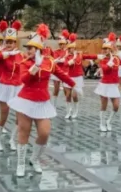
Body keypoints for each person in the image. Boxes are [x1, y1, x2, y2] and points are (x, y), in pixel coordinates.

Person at [8, 24, 76, 177]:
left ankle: (35, 158)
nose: (28, 51)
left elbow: (61, 74)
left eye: (31, 48)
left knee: (45, 133)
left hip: (42, 101)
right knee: (24, 132)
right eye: (27, 48)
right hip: (26, 100)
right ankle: (21, 163)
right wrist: (35, 67)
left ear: (38, 49)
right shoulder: (25, 63)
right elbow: (23, 79)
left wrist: (74, 84)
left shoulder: (50, 62)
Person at [0, 20, 24, 151]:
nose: (8, 44)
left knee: (19, 117)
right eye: (7, 42)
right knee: (4, 114)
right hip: (5, 86)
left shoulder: (21, 55)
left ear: (15, 42)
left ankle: (12, 139)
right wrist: (8, 53)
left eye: (11, 42)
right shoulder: (3, 54)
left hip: (18, 87)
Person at [94, 33, 121, 132]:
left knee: (116, 106)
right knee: (103, 105)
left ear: (111, 49)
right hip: (104, 85)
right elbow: (104, 69)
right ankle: (101, 123)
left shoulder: (116, 58)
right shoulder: (103, 59)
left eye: (108, 48)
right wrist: (109, 64)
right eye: (105, 49)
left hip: (113, 85)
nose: (106, 50)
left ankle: (109, 121)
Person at [62, 33, 94, 120]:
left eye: (73, 48)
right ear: (68, 49)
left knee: (74, 95)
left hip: (77, 78)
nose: (72, 49)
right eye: (70, 48)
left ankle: (76, 110)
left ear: (75, 48)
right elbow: (65, 64)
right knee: (68, 95)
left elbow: (89, 56)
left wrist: (98, 56)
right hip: (68, 77)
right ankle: (68, 111)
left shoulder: (79, 55)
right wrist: (71, 59)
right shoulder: (67, 56)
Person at [50, 30, 71, 108]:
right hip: (57, 72)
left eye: (63, 44)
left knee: (67, 90)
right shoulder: (56, 51)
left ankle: (68, 107)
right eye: (61, 44)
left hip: (65, 71)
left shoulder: (68, 52)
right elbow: (54, 60)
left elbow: (69, 60)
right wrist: (59, 60)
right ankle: (53, 105)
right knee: (56, 89)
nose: (62, 45)